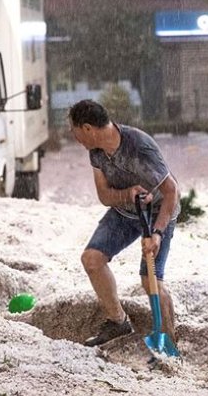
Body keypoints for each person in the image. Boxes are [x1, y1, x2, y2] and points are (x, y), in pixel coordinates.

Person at [67, 99, 181, 347]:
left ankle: (169, 342)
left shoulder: (139, 146)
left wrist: (157, 233)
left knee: (150, 281)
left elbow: (172, 192)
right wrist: (127, 194)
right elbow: (104, 196)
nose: (75, 138)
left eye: (75, 132)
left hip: (159, 212)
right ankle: (118, 321)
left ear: (87, 128)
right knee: (92, 260)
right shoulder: (96, 152)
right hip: (125, 213)